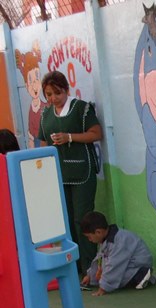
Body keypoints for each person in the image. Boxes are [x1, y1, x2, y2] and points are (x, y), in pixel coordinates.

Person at [37, 70, 103, 275]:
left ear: (66, 90)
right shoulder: (45, 115)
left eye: (57, 93)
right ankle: (72, 267)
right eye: (48, 94)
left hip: (82, 172)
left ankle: (89, 269)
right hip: (58, 174)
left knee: (82, 219)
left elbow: (96, 133)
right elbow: (43, 143)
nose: (53, 98)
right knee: (65, 220)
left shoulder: (81, 109)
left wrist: (70, 137)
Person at [79, 211, 154, 296]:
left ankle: (142, 275)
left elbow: (114, 265)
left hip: (138, 265)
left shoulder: (118, 241)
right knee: (107, 274)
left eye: (89, 237)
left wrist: (103, 288)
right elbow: (99, 259)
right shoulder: (106, 240)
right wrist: (90, 276)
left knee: (116, 276)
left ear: (98, 232)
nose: (89, 240)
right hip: (128, 263)